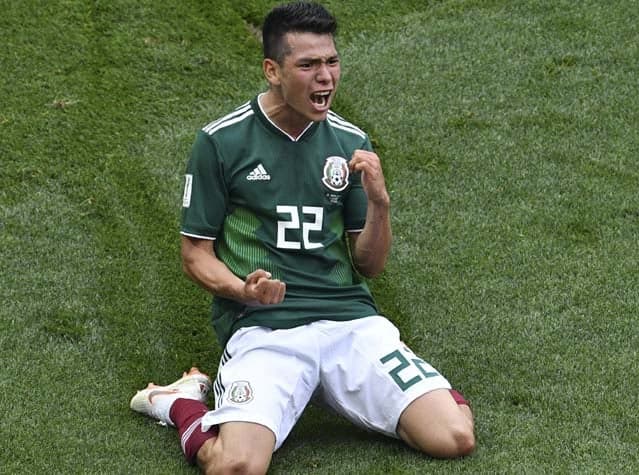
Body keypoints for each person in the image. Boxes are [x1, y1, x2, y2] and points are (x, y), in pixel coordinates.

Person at [129, 2, 475, 473]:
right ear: (272, 70)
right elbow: (195, 255)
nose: (326, 77)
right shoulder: (221, 142)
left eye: (331, 62)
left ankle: (382, 387)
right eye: (308, 65)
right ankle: (179, 400)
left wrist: (380, 205)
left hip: (349, 323)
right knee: (235, 467)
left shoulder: (351, 142)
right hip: (265, 329)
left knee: (455, 436)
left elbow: (369, 264)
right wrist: (241, 290)